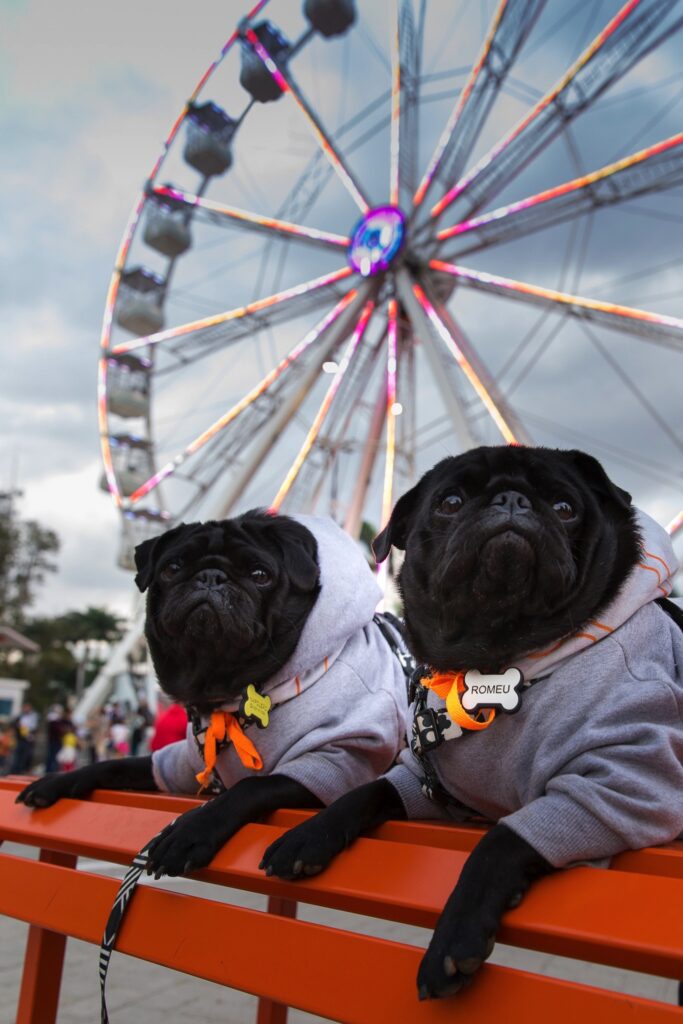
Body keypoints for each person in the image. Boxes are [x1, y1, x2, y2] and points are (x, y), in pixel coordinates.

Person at [10, 701, 38, 773]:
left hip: (27, 739)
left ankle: (21, 770)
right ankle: (15, 770)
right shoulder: (20, 716)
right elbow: (14, 724)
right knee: (17, 756)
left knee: (25, 756)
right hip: (20, 739)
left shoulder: (33, 717)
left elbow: (33, 728)